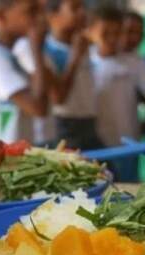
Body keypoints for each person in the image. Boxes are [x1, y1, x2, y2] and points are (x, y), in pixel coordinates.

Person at [88, 6, 145, 182]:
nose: (113, 38)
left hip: (127, 142)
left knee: (127, 187)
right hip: (95, 141)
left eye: (117, 33)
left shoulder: (135, 61)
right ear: (91, 31)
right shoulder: (86, 60)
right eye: (106, 33)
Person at [0, 0, 49, 143]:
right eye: (31, 11)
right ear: (1, 16)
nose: (40, 18)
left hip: (16, 152)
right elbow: (38, 108)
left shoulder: (13, 54)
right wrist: (36, 49)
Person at [41, 0, 101, 150]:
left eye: (82, 7)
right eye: (74, 8)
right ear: (53, 15)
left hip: (89, 121)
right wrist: (75, 58)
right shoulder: (47, 50)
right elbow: (58, 99)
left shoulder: (83, 44)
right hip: (67, 124)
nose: (82, 13)